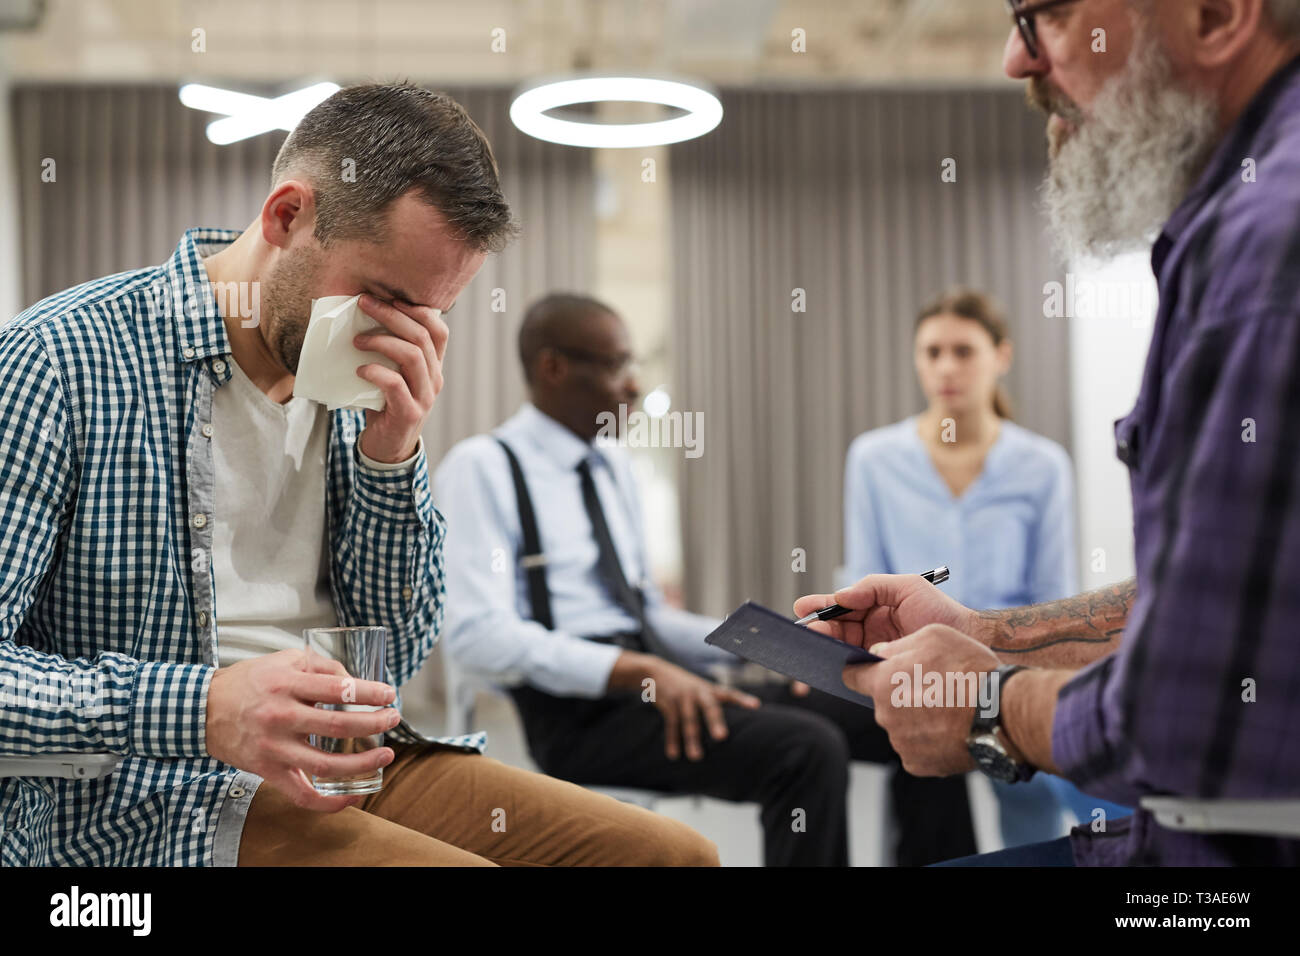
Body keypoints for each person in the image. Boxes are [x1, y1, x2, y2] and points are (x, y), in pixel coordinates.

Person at [0, 84, 718, 867]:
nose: (398, 338)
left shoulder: (356, 390)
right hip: (156, 792)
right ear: (286, 217)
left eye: (431, 314)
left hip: (348, 759)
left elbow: (398, 659)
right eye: (382, 298)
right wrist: (200, 706)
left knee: (672, 857)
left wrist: (393, 455)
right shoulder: (60, 362)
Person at [798, 0, 1300, 865]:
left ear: (1215, 15)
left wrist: (990, 704)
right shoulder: (1236, 222)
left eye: (1050, 16)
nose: (1014, 61)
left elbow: (1187, 727)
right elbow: (1196, 617)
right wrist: (988, 633)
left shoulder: (1265, 247)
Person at [432, 292, 979, 866]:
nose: (634, 385)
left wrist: (773, 645)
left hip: (657, 677)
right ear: (553, 368)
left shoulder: (614, 465)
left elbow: (647, 616)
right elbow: (477, 635)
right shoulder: (483, 468)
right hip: (577, 713)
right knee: (806, 749)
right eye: (618, 365)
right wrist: (640, 672)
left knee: (903, 704)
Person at [843, 288, 1128, 848]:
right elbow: (865, 584)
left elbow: (1055, 596)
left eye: (963, 351)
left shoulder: (1042, 466)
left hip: (1010, 664)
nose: (946, 367)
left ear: (1001, 356)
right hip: (912, 665)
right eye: (932, 352)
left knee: (1030, 812)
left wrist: (1003, 672)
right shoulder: (874, 459)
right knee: (921, 806)